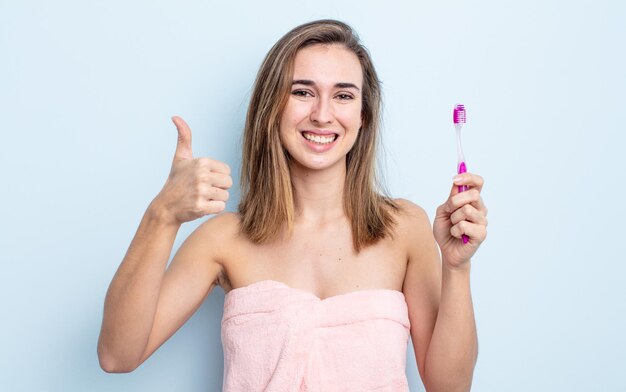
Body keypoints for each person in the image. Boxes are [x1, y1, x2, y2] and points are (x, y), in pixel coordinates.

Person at [97, 19, 488, 391]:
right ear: (273, 107)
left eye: (343, 95)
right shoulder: (222, 240)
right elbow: (118, 355)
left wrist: (457, 267)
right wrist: (161, 215)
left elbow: (449, 387)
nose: (322, 114)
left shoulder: (404, 227)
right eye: (302, 92)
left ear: (363, 115)